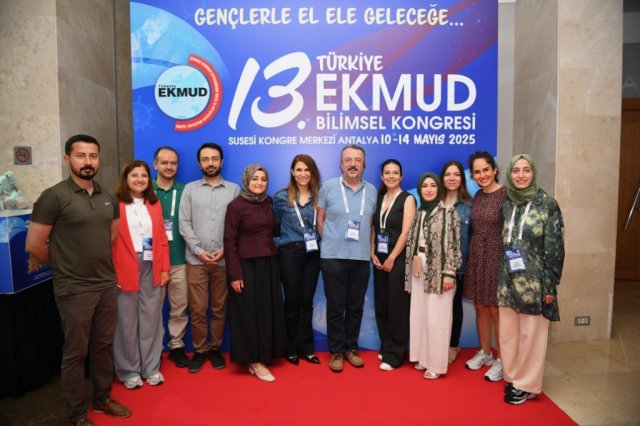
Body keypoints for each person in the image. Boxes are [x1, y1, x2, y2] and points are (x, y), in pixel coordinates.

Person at [25, 134, 131, 426]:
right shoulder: (54, 196)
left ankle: (102, 398)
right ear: (67, 158)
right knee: (76, 352)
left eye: (93, 156)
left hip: (105, 284)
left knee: (103, 346)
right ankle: (76, 414)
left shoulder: (107, 195)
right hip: (74, 288)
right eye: (81, 156)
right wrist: (66, 265)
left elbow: (112, 235)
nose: (88, 162)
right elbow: (34, 245)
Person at [498, 154, 565, 404]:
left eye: (526, 170)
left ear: (533, 172)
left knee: (532, 336)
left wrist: (550, 285)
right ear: (510, 174)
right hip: (507, 280)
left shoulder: (547, 204)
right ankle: (513, 376)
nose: (521, 175)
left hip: (535, 284)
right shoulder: (508, 203)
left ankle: (527, 384)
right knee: (509, 334)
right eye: (516, 170)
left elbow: (555, 249)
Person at [179, 142, 240, 373]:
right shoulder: (190, 189)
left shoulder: (233, 190)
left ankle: (215, 349)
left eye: (214, 159)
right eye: (205, 159)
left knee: (219, 308)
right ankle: (200, 350)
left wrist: (225, 249)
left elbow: (237, 225)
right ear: (199, 163)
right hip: (196, 261)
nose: (210, 163)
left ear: (221, 162)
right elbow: (183, 223)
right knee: (197, 309)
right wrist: (199, 251)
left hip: (224, 261)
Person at [224, 164, 287, 382]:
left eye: (263, 179)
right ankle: (254, 361)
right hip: (246, 267)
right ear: (246, 180)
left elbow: (274, 230)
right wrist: (235, 274)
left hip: (269, 263)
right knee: (249, 313)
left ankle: (265, 354)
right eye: (255, 179)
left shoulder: (268, 201)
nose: (259, 183)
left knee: (267, 311)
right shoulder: (236, 206)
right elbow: (229, 242)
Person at [317, 145, 377, 373]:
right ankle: (336, 351)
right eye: (348, 160)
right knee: (335, 307)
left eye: (357, 160)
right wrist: (330, 242)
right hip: (333, 257)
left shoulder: (372, 190)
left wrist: (369, 249)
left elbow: (372, 224)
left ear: (364, 165)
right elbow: (320, 220)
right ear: (340, 164)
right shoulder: (328, 187)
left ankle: (351, 348)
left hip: (360, 258)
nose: (353, 164)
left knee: (355, 306)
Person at [112, 160, 170, 389]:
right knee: (126, 320)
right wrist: (111, 272)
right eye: (134, 175)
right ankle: (129, 370)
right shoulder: (115, 204)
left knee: (151, 318)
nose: (139, 179)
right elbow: (107, 240)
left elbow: (162, 237)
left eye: (144, 175)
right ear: (125, 179)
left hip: (151, 265)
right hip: (124, 266)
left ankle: (151, 367)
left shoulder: (154, 204)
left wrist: (165, 267)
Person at [406, 173, 461, 379]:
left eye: (432, 185)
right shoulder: (419, 212)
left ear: (439, 188)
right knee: (420, 316)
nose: (428, 189)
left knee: (437, 318)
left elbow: (454, 245)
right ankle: (423, 358)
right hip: (419, 269)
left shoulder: (448, 212)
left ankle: (436, 365)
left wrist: (449, 273)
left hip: (440, 271)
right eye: (424, 186)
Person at [274, 154, 322, 365]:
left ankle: (307, 348)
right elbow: (274, 226)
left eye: (307, 170)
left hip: (313, 253)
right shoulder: (281, 197)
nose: (303, 174)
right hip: (290, 253)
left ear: (313, 173)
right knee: (292, 302)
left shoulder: (320, 196)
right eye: (299, 170)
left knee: (307, 301)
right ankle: (290, 347)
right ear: (292, 172)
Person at [463, 151, 507, 382]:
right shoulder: (478, 196)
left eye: (486, 170)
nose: (482, 175)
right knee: (480, 306)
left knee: (495, 310)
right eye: (477, 172)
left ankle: (503, 360)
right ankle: (486, 352)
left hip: (496, 257)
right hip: (477, 256)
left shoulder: (506, 195)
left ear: (495, 169)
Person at [371, 159, 416, 371]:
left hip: (398, 257)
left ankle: (396, 354)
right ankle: (386, 345)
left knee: (397, 306)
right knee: (382, 304)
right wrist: (372, 251)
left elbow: (406, 232)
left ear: (401, 176)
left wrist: (392, 257)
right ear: (382, 176)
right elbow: (374, 227)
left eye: (395, 173)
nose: (391, 176)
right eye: (387, 173)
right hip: (379, 256)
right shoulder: (379, 199)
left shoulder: (408, 199)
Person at [152, 146, 189, 368]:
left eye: (173, 163)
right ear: (155, 164)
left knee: (179, 307)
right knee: (153, 309)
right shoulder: (145, 190)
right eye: (164, 162)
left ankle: (176, 346)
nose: (169, 166)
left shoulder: (186, 190)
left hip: (180, 260)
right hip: (153, 262)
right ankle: (154, 350)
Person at [440, 160, 473, 364]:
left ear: (462, 178)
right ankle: (437, 343)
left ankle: (453, 344)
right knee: (436, 307)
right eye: (448, 174)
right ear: (442, 178)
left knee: (454, 306)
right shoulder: (434, 202)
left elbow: (472, 238)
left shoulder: (470, 206)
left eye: (456, 174)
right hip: (434, 267)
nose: (452, 178)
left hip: (458, 268)